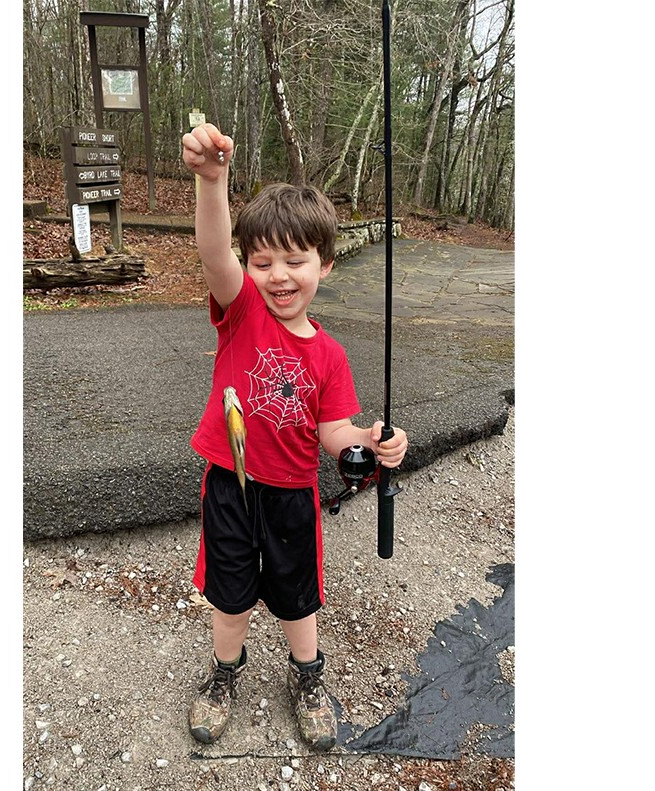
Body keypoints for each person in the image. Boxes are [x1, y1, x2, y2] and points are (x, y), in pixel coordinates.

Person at [181, 123, 409, 752]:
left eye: (295, 261)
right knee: (230, 596)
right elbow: (213, 254)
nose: (277, 276)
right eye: (262, 263)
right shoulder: (242, 312)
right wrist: (213, 181)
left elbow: (335, 432)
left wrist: (371, 441)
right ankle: (224, 672)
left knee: (297, 596)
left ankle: (308, 675)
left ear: (325, 265)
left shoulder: (331, 355)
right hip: (230, 486)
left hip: (292, 495)